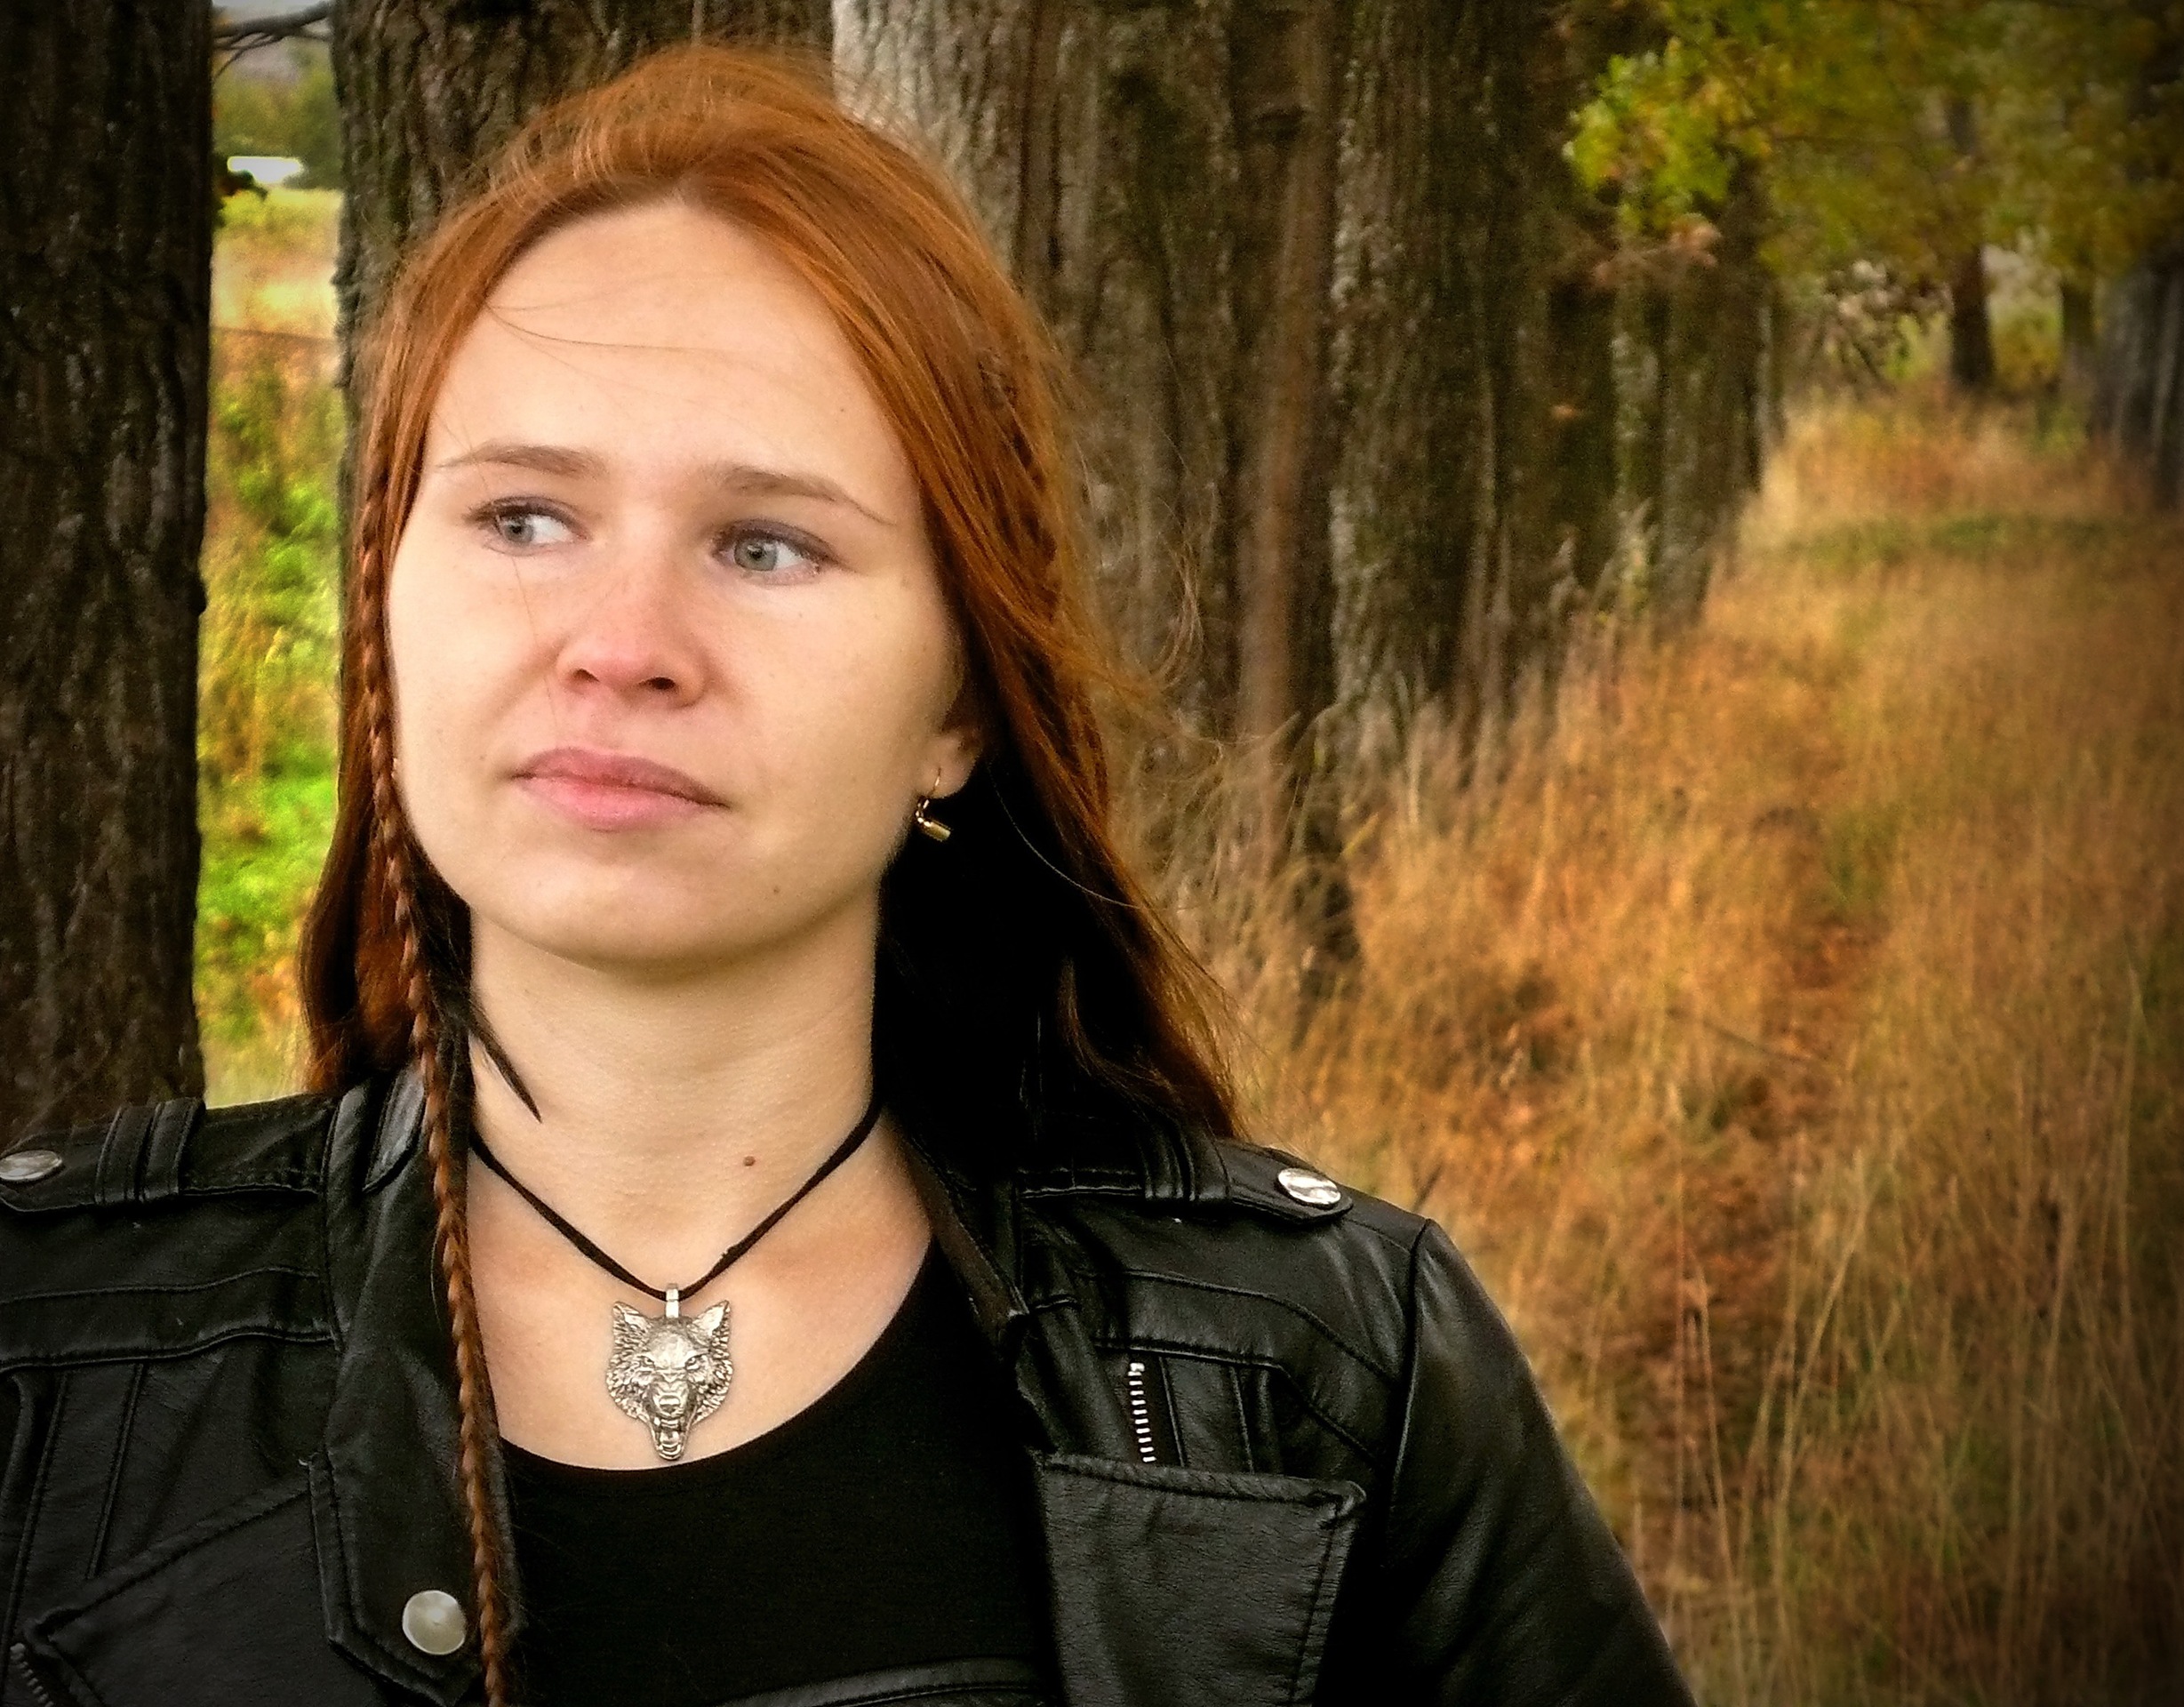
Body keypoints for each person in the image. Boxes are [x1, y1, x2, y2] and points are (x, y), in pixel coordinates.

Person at [0, 44, 1692, 1707]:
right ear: (386, 604)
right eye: (524, 518)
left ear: (957, 706)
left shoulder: (1328, 1379)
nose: (622, 643)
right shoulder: (37, 1342)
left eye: (766, 545)